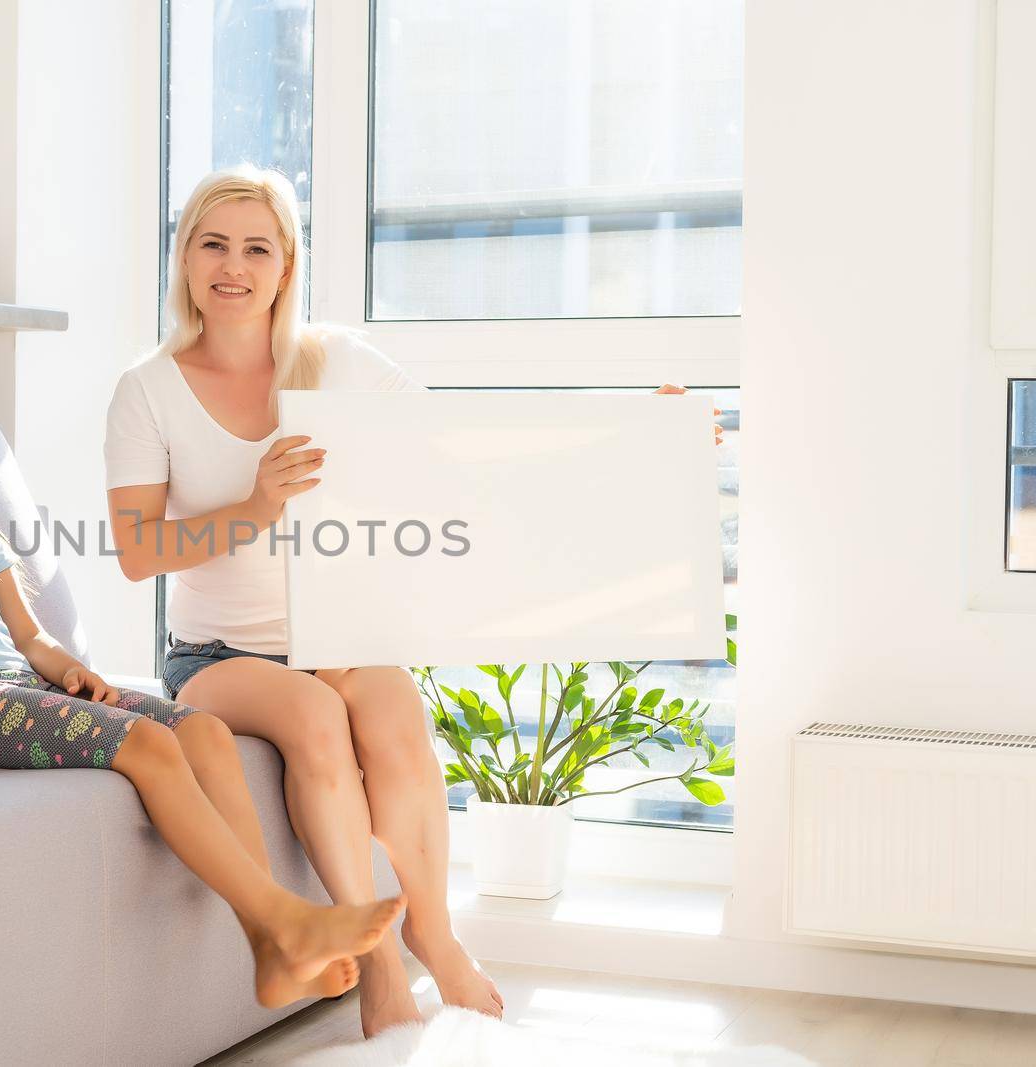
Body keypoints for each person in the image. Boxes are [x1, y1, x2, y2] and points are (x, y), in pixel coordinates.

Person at [104, 164, 723, 1037]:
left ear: (287, 266)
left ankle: (433, 930)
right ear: (185, 259)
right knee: (317, 713)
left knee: (392, 700)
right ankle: (379, 966)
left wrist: (641, 429)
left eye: (257, 247)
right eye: (213, 244)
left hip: (337, 633)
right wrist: (254, 507)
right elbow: (136, 552)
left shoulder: (338, 361)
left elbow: (468, 447)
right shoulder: (148, 389)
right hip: (215, 659)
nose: (232, 266)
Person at [0, 365, 406, 1010]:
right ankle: (283, 921)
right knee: (147, 743)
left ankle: (270, 943)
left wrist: (70, 673)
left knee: (203, 730)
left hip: (18, 685)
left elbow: (30, 639)